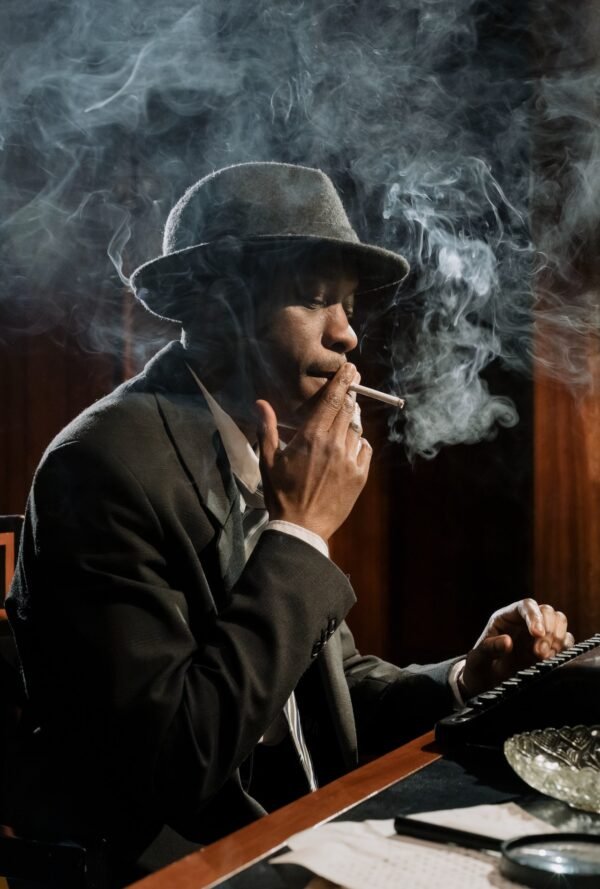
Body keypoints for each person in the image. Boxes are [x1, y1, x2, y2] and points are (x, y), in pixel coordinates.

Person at [6, 162, 573, 886]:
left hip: (303, 834)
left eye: (349, 305)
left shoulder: (256, 441)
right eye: (314, 299)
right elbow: (174, 760)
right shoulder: (103, 465)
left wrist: (465, 678)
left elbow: (317, 692)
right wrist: (300, 533)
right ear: (221, 305)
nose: (348, 336)